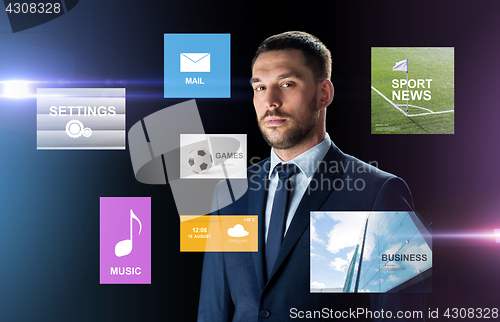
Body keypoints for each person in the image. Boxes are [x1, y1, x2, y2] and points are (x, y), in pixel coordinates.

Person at [198, 31, 414, 321]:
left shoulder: (379, 192)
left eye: (287, 84)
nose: (270, 101)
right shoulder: (229, 192)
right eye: (260, 87)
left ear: (323, 93)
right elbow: (213, 310)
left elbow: (400, 312)